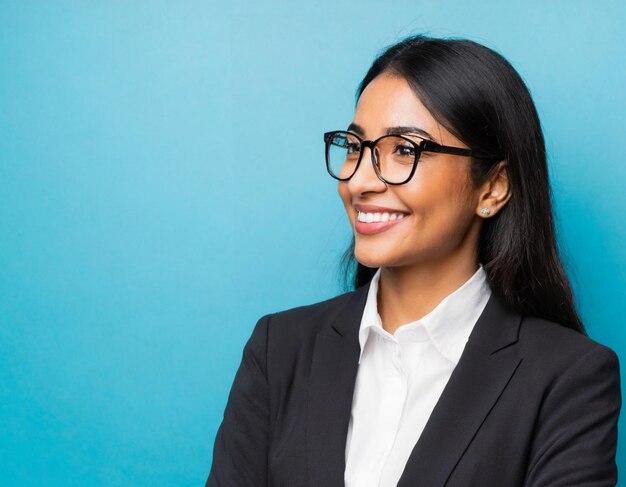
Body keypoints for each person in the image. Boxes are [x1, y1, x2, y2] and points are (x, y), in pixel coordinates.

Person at [206, 34, 622, 487]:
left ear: (493, 187)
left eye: (405, 149)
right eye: (354, 146)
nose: (360, 180)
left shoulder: (567, 378)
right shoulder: (280, 348)